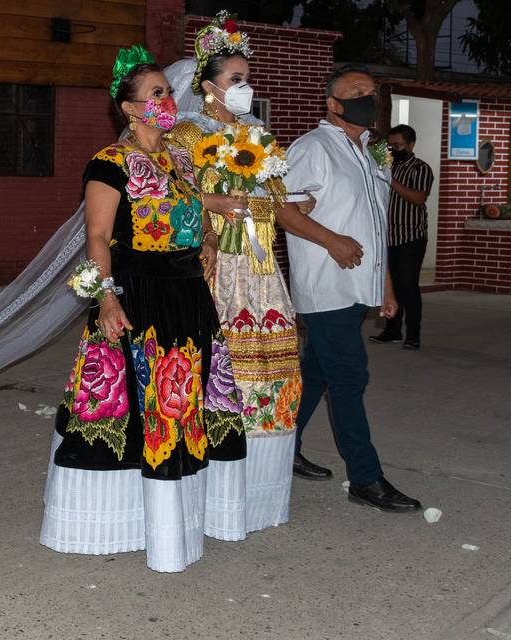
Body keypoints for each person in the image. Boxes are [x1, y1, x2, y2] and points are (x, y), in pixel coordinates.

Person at [40, 45, 245, 573]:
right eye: (156, 94)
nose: (167, 100)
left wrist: (207, 242)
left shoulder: (178, 157)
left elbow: (191, 211)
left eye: (168, 91)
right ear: (129, 109)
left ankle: (189, 521)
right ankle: (141, 527)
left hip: (187, 294)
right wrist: (106, 296)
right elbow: (98, 235)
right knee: (146, 404)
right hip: (140, 293)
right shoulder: (109, 163)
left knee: (190, 401)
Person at [164, 11, 323, 538]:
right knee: (221, 369)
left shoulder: (258, 133)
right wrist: (211, 220)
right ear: (206, 86)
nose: (245, 88)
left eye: (248, 79)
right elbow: (171, 197)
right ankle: (209, 493)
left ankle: (260, 494)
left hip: (260, 266)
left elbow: (272, 198)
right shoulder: (186, 135)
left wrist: (292, 199)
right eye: (236, 80)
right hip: (219, 265)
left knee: (273, 370)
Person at [282, 65, 421, 512]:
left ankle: (280, 450)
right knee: (349, 375)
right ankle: (365, 477)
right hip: (325, 286)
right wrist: (333, 241)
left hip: (359, 286)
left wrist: (385, 286)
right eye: (357, 91)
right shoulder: (312, 147)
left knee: (318, 373)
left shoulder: (371, 154)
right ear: (333, 104)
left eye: (373, 91)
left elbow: (377, 228)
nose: (369, 96)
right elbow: (284, 211)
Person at [370, 124, 433, 351]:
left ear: (411, 144)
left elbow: (418, 198)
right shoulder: (386, 165)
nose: (393, 149)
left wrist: (390, 179)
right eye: (390, 145)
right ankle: (392, 330)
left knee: (408, 286)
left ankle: (413, 334)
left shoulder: (420, 168)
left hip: (411, 237)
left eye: (397, 145)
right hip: (388, 237)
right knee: (391, 287)